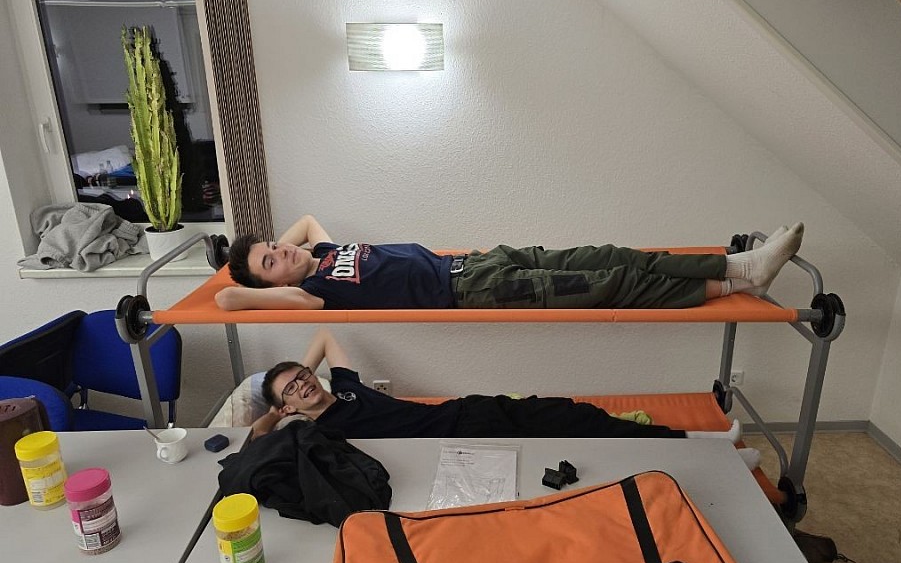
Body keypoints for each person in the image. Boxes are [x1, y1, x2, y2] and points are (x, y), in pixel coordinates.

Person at [249, 328, 761, 469]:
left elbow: (326, 335)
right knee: (588, 436)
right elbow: (252, 443)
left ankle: (704, 442)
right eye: (292, 388)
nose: (303, 383)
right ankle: (712, 452)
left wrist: (297, 378)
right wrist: (275, 411)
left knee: (576, 415)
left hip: (471, 411)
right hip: (466, 441)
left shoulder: (346, 388)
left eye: (303, 375)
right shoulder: (321, 432)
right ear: (287, 407)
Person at [215, 215, 803, 312]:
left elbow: (306, 222)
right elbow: (226, 297)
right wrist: (248, 277)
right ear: (271, 284)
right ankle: (741, 282)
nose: (283, 250)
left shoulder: (322, 253)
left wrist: (274, 254)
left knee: (613, 255)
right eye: (272, 260)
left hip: (479, 263)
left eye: (274, 244)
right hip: (475, 293)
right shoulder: (315, 296)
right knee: (612, 283)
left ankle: (739, 263)